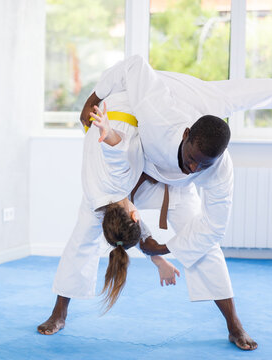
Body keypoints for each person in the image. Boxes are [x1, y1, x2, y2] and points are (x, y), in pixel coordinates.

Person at [73, 55, 272, 350]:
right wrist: (93, 98)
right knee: (94, 224)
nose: (194, 168)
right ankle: (59, 309)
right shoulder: (159, 114)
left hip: (180, 180)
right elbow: (135, 65)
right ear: (187, 136)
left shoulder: (217, 167)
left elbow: (214, 226)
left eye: (203, 165)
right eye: (191, 160)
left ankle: (234, 324)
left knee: (207, 249)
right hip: (154, 148)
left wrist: (165, 248)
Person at [38, 92, 180, 334]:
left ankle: (58, 314)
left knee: (79, 245)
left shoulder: (117, 181)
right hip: (115, 114)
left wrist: (107, 130)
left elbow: (116, 150)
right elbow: (129, 231)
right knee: (80, 245)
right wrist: (159, 261)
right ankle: (58, 313)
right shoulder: (106, 207)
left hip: (121, 108)